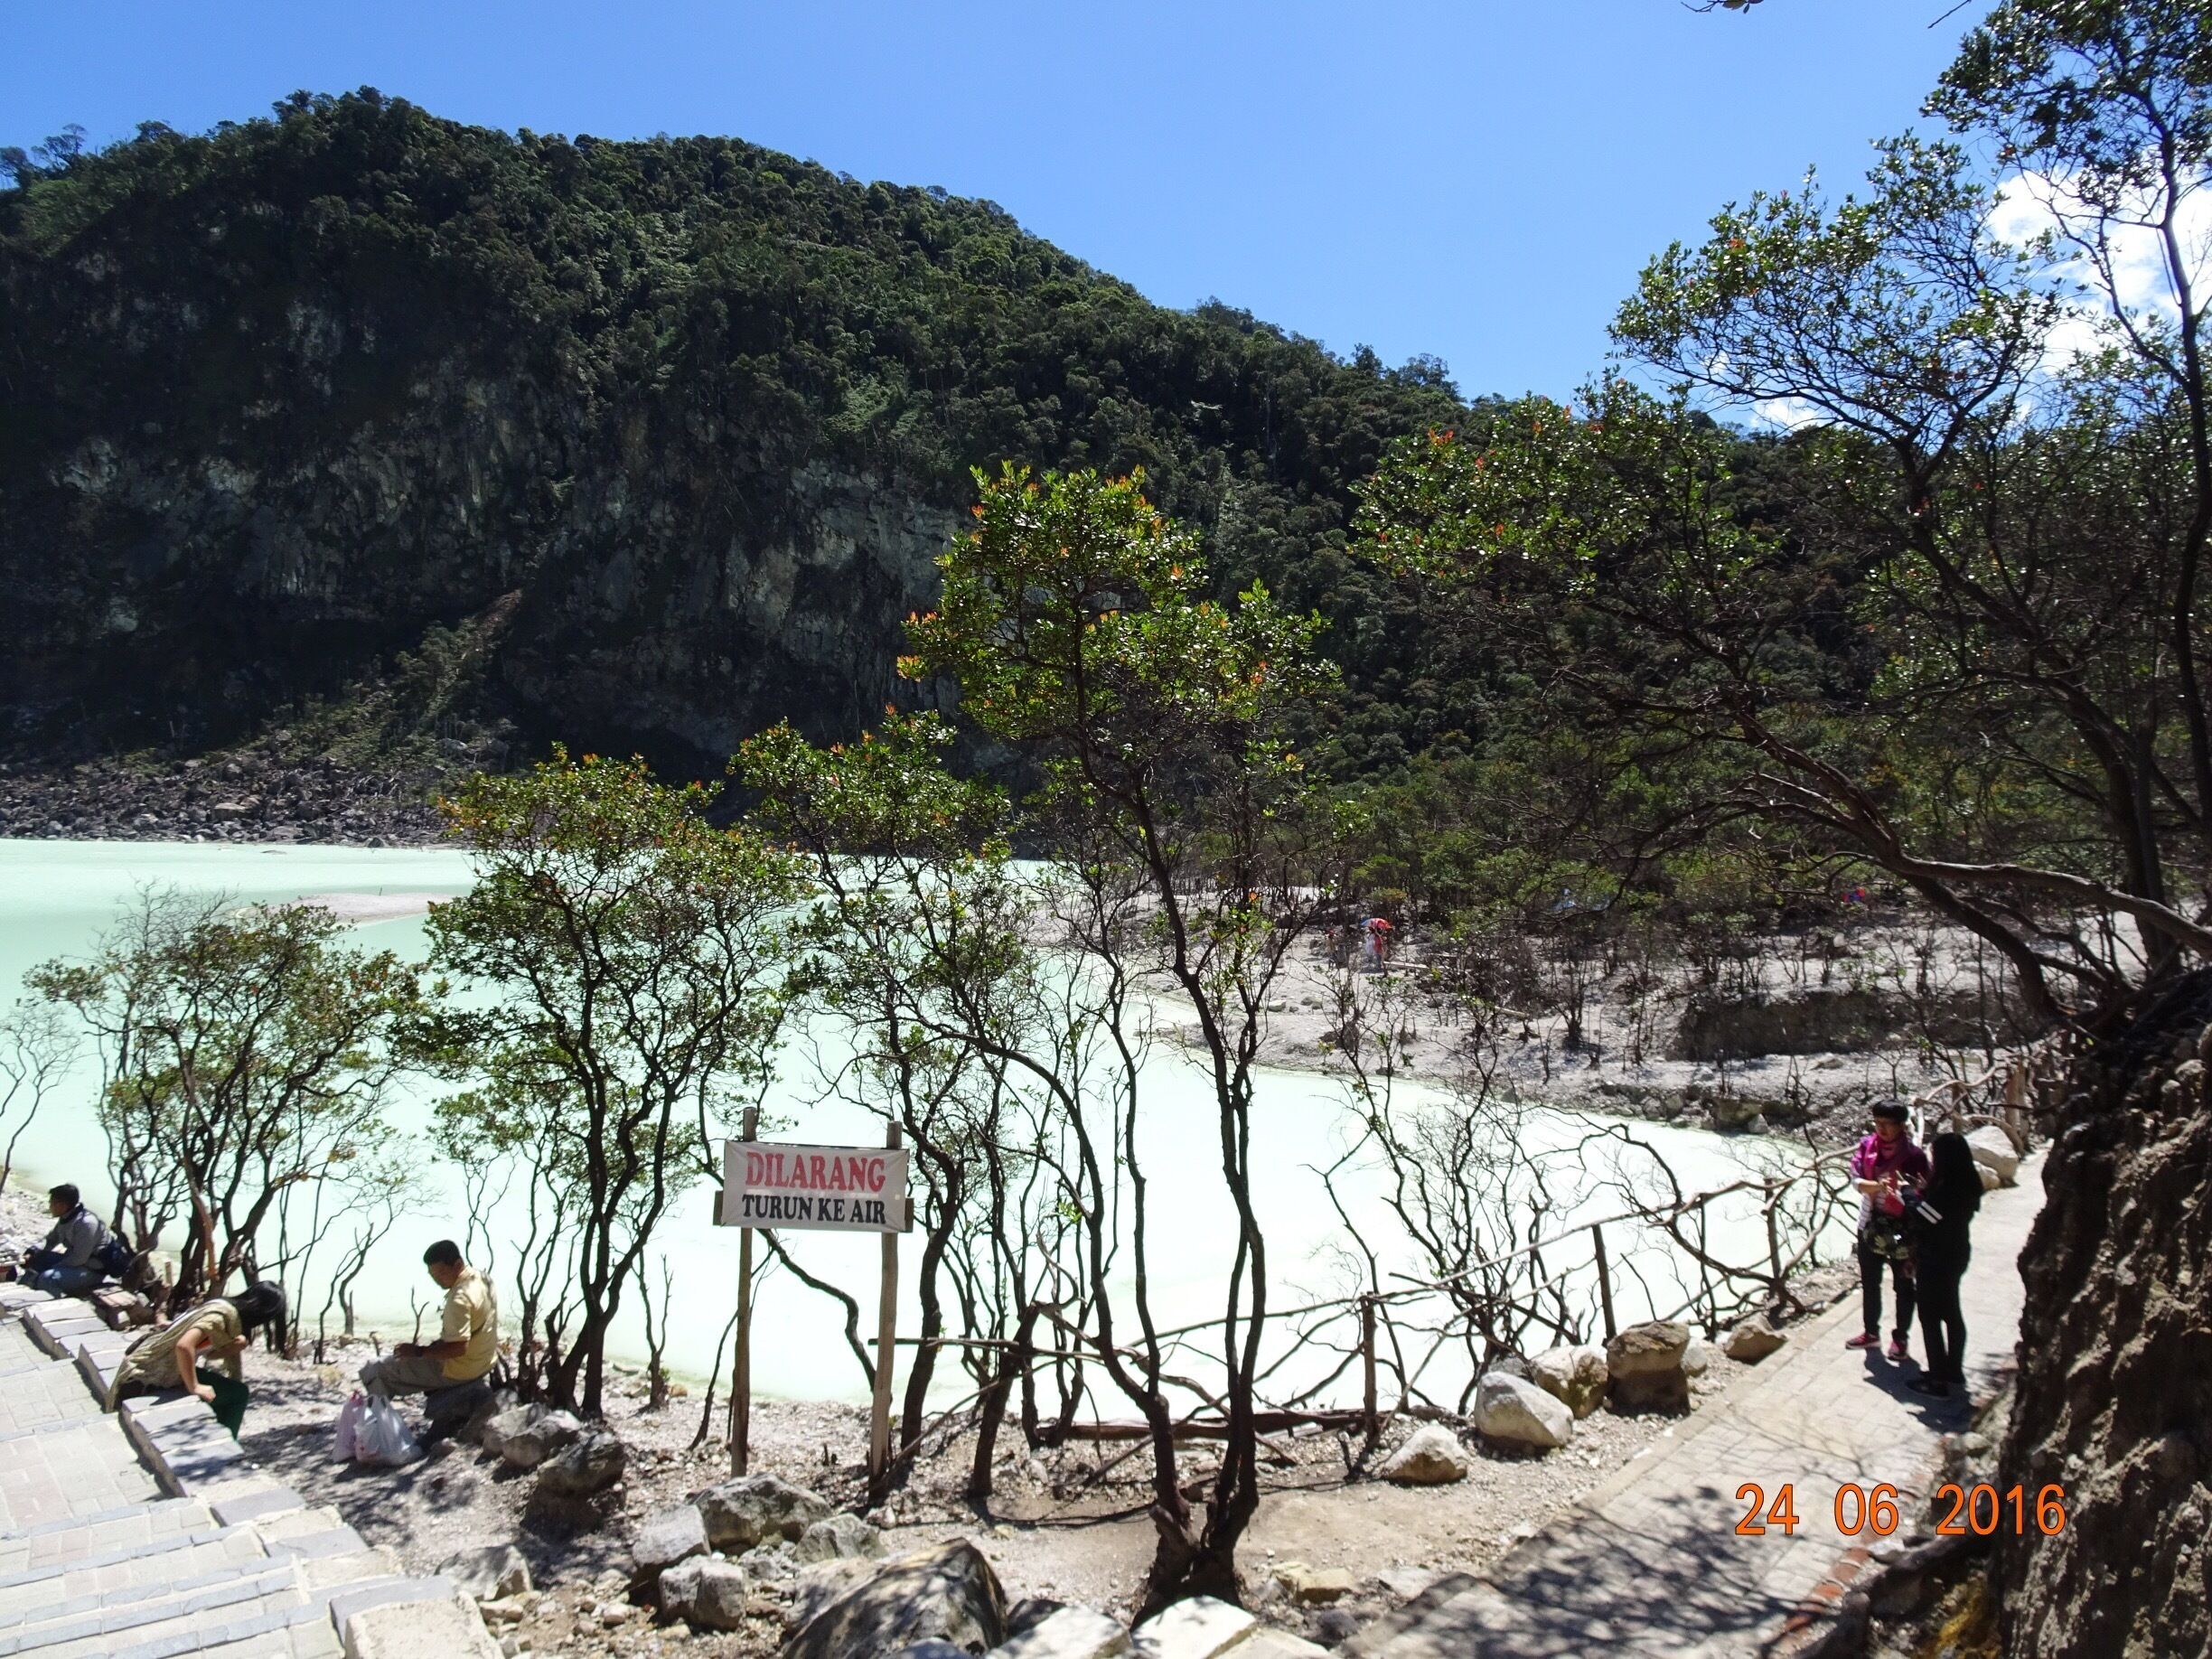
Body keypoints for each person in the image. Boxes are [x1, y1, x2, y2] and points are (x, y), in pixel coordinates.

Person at [106, 1281, 286, 1437]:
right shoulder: (220, 1318)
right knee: (238, 1394)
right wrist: (195, 1386)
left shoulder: (221, 1305)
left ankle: (214, 1436)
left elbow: (208, 1353)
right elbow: (184, 1346)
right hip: (145, 1375)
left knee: (233, 1391)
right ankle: (224, 1451)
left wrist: (232, 1347)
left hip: (155, 1365)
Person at [1845, 1100, 1930, 1362]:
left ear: (1902, 1125)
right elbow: (1856, 1180)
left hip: (1902, 1230)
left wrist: (1902, 1191)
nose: (1881, 1129)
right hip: (1870, 1224)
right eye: (1877, 1123)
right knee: (1870, 1282)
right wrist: (1879, 1187)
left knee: (1904, 1285)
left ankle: (1900, 1338)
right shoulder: (1867, 1147)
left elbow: (1923, 1194)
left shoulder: (1914, 1157)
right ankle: (1871, 1332)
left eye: (1887, 1124)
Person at [358, 1240, 498, 1397]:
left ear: (458, 1265)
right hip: (484, 1362)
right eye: (433, 1276)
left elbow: (458, 1348)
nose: (438, 1281)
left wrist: (418, 1351)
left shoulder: (460, 1298)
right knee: (393, 1364)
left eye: (442, 1274)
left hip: (460, 1370)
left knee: (374, 1370)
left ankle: (379, 1419)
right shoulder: (483, 1278)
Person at [1907, 1131, 1983, 1399]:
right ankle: (1953, 1369)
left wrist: (1909, 1197)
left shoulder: (1945, 1190)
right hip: (1957, 1253)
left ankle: (1937, 1380)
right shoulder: (1968, 1185)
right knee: (1951, 1312)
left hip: (1935, 1257)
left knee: (1930, 1316)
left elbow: (1924, 1217)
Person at [15, 1186, 113, 1296]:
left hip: (91, 1270)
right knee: (37, 1258)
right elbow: (51, 1240)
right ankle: (22, 1290)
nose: (50, 1206)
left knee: (47, 1278)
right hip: (73, 1262)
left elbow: (79, 1259)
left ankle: (54, 1304)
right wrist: (32, 1252)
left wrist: (53, 1267)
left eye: (51, 1203)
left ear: (62, 1205)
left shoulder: (87, 1224)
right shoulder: (67, 1218)